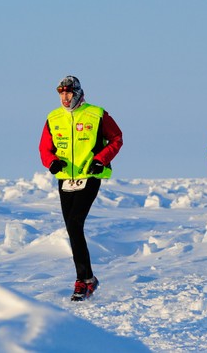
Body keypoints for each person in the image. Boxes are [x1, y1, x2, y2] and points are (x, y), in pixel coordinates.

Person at [39, 75, 123, 301]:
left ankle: (83, 281)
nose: (65, 98)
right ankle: (88, 279)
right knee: (72, 228)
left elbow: (116, 138)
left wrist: (101, 160)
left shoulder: (97, 114)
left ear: (77, 93)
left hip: (89, 176)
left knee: (75, 223)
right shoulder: (53, 117)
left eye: (68, 93)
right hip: (65, 179)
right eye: (61, 94)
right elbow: (45, 148)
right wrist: (52, 162)